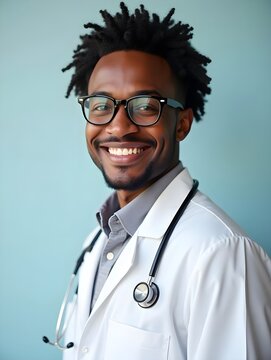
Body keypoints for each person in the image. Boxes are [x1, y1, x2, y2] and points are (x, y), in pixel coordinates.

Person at [58, 3, 271, 359]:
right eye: (101, 105)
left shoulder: (224, 254)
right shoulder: (97, 241)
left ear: (182, 123)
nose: (119, 126)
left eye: (144, 105)